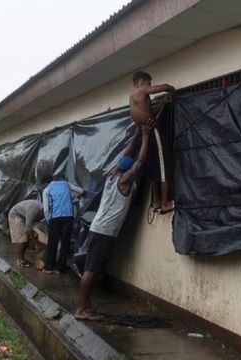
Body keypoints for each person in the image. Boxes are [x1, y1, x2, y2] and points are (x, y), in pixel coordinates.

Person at [75, 120, 153, 320]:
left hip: (99, 228)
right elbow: (140, 161)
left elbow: (126, 156)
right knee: (90, 271)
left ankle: (87, 306)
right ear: (127, 171)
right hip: (104, 231)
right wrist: (145, 135)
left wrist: (135, 135)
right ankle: (81, 309)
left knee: (92, 269)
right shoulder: (124, 182)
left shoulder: (111, 177)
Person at [129, 70, 175, 214]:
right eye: (149, 83)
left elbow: (149, 111)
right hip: (152, 131)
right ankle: (166, 202)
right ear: (141, 82)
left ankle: (156, 202)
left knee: (152, 166)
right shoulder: (141, 90)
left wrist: (162, 102)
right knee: (163, 164)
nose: (150, 86)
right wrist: (170, 88)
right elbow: (162, 88)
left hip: (145, 135)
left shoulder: (133, 98)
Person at [42, 175, 85, 274]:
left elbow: (46, 209)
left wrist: (48, 220)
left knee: (52, 243)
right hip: (68, 216)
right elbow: (81, 191)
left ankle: (49, 267)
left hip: (55, 218)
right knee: (65, 242)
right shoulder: (66, 184)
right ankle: (60, 268)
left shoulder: (47, 189)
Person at [8, 199, 44, 268]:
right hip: (15, 215)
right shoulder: (33, 211)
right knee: (22, 238)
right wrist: (36, 244)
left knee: (27, 238)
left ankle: (22, 258)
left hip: (23, 216)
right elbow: (28, 229)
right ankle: (20, 260)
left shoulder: (42, 209)